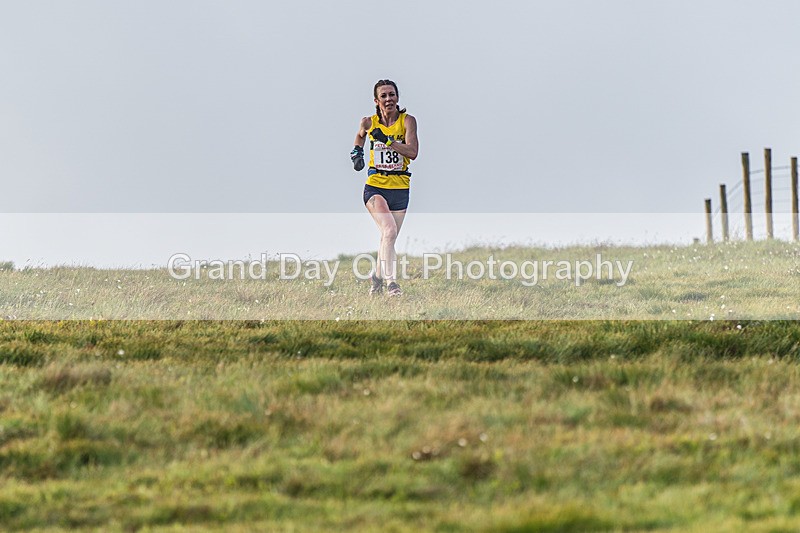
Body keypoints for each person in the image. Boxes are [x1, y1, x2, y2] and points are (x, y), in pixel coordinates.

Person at [351, 79, 419, 296]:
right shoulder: (369, 122)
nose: (389, 99)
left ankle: (377, 278)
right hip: (375, 187)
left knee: (388, 238)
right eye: (384, 96)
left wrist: (388, 141)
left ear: (397, 97)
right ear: (376, 100)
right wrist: (357, 154)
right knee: (388, 230)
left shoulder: (408, 122)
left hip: (400, 188)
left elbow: (412, 152)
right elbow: (360, 136)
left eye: (392, 95)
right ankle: (392, 284)